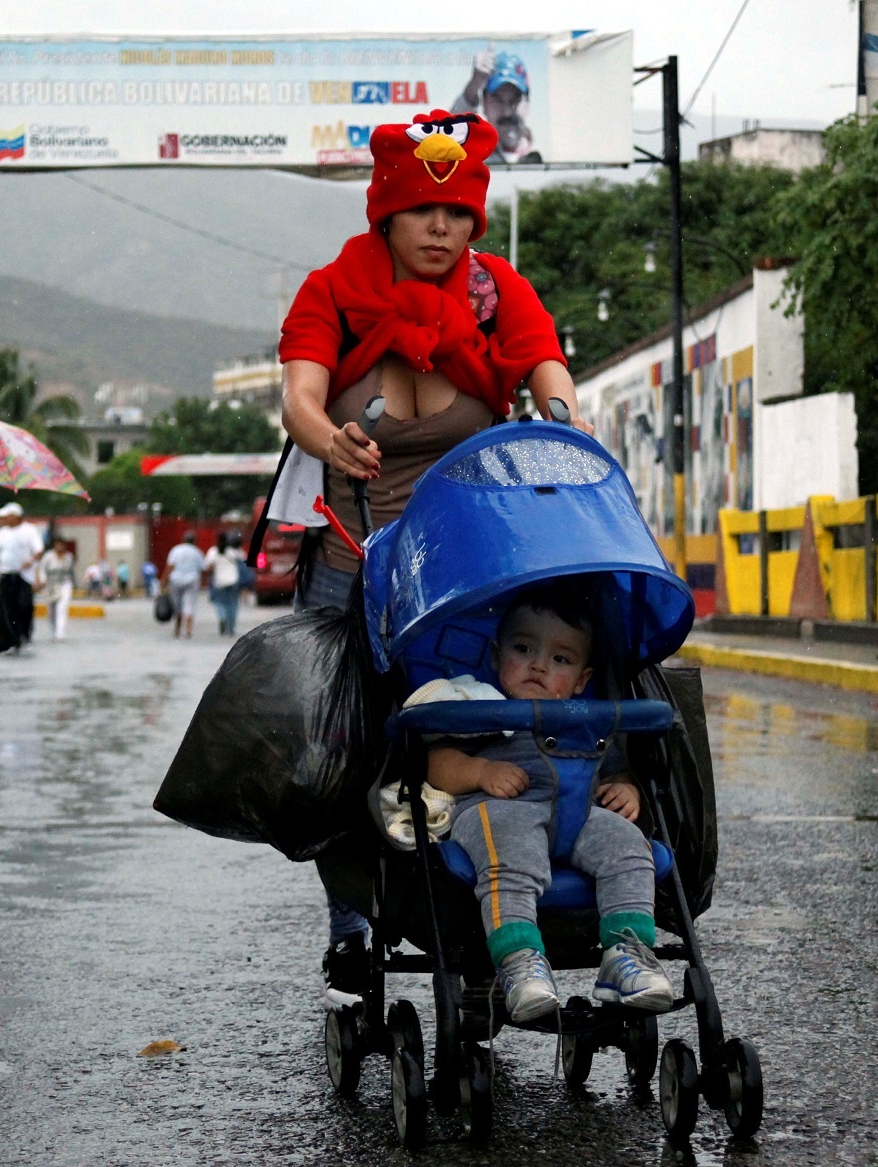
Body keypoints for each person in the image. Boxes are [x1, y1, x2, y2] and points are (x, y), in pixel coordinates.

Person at [276, 110, 579, 998]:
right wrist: (328, 438)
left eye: (458, 214)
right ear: (386, 216)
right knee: (334, 749)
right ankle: (350, 918)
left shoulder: (496, 291)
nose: (441, 229)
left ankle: (491, 898)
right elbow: (299, 394)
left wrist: (563, 417)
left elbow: (544, 365)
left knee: (481, 728)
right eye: (422, 212)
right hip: (351, 557)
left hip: (470, 567)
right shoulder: (331, 288)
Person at [411, 583, 672, 1022]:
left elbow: (614, 768)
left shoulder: (585, 721)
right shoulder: (477, 704)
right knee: (510, 854)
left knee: (630, 845)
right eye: (523, 648)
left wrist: (626, 788)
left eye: (560, 659)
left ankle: (627, 955)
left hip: (577, 816)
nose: (538, 665)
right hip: (497, 815)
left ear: (582, 680)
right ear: (496, 655)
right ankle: (519, 962)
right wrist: (480, 772)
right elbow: (435, 765)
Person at [451, 51, 541, 164]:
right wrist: (474, 84)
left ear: (527, 103)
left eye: (514, 100)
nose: (507, 112)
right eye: (498, 100)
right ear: (484, 104)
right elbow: (449, 134)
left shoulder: (550, 151)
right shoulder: (474, 154)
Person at [0, 502, 41, 647]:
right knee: (7, 607)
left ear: (15, 516)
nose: (4, 519)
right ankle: (14, 636)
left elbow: (38, 550)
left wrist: (31, 561)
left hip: (24, 576)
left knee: (24, 605)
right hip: (7, 575)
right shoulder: (3, 533)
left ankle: (25, 631)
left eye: (6, 516)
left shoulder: (29, 530)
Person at [164, 531, 205, 639]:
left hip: (176, 580)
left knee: (177, 605)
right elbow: (202, 568)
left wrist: (163, 581)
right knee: (189, 605)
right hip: (192, 580)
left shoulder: (176, 550)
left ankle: (177, 629)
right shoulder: (197, 552)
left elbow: (170, 566)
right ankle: (188, 630)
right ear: (194, 541)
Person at [204, 531, 244, 636]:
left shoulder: (213, 551)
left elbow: (208, 566)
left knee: (220, 603)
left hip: (219, 581)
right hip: (233, 580)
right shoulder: (234, 551)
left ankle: (222, 618)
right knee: (233, 605)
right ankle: (230, 628)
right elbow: (243, 561)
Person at [41, 537, 77, 641]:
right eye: (58, 544)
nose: (60, 547)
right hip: (51, 584)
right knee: (51, 609)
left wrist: (74, 584)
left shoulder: (68, 557)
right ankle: (53, 630)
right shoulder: (48, 556)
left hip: (65, 583)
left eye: (62, 545)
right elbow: (42, 569)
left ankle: (60, 632)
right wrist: (42, 580)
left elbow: (71, 572)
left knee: (62, 607)